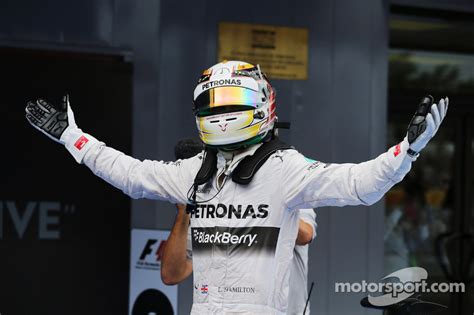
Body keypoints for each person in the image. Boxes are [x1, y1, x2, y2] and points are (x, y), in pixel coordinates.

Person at [25, 60, 449, 314]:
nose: (222, 115)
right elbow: (131, 175)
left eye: (232, 105)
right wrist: (73, 138)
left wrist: (406, 151)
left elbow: (359, 184)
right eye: (214, 106)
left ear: (261, 105)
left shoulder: (286, 169)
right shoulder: (194, 172)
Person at [163, 138, 318, 314]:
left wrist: (264, 203)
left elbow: (306, 235)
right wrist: (184, 210)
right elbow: (171, 275)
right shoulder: (206, 215)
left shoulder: (284, 181)